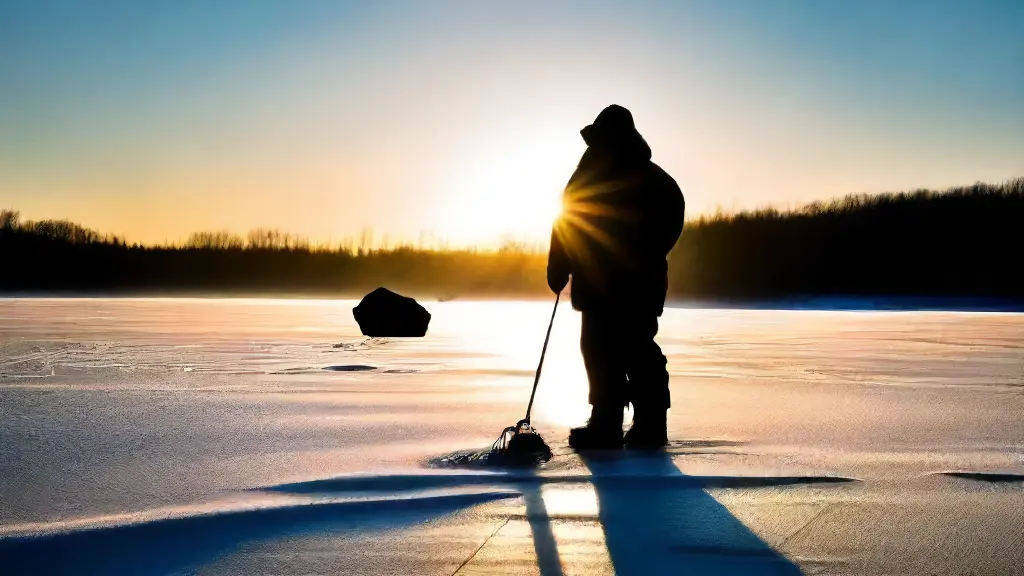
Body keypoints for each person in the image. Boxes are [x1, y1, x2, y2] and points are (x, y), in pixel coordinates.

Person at [547, 105, 685, 450]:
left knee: (636, 350)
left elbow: (669, 225)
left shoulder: (652, 180)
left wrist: (636, 257)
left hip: (636, 283)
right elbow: (566, 220)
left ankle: (650, 424)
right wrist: (559, 265)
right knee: (598, 349)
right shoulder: (590, 174)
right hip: (600, 283)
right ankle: (605, 421)